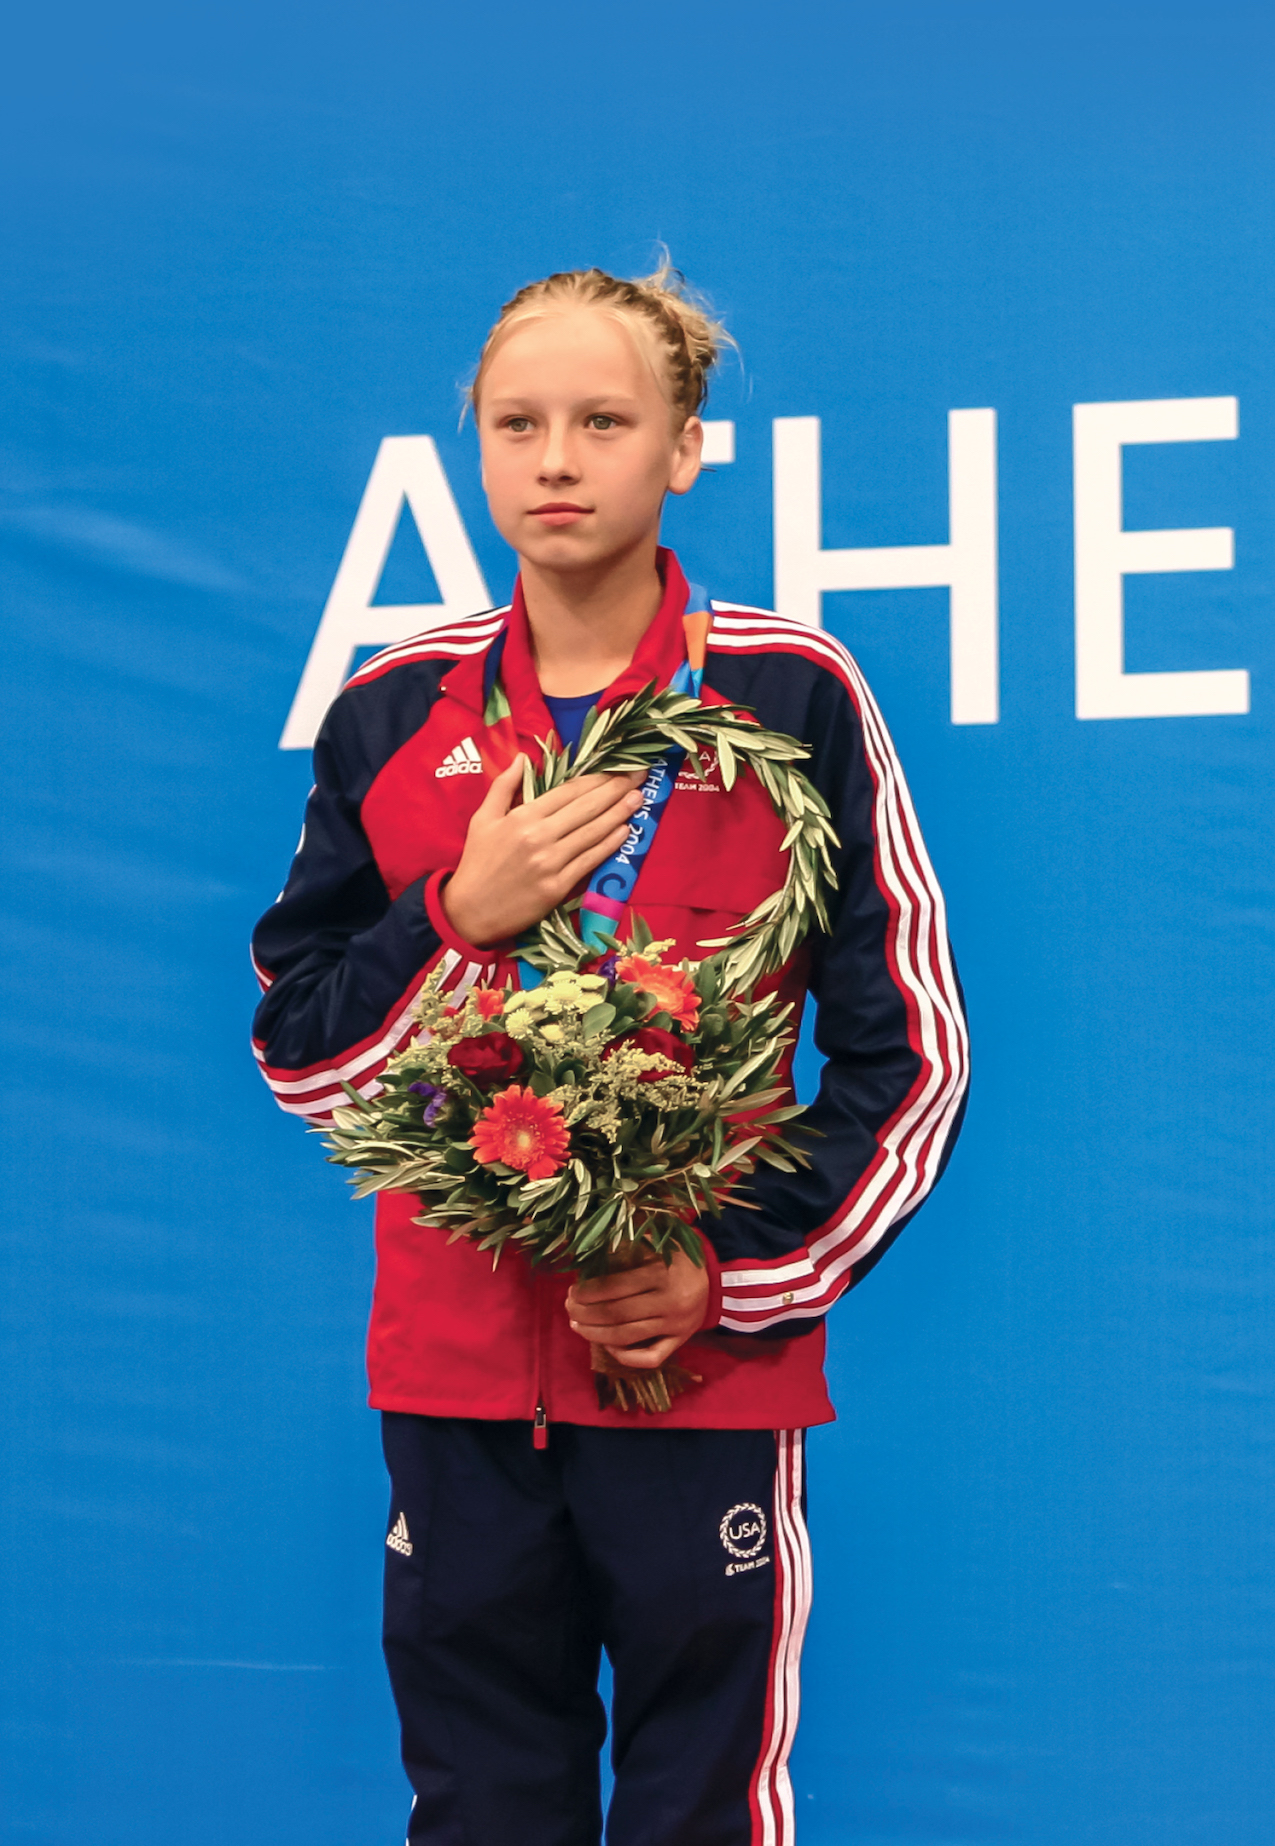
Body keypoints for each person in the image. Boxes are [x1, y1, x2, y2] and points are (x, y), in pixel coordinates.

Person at [251, 264, 968, 1846]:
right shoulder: (391, 711)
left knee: (699, 1804)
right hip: (450, 1379)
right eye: (517, 424)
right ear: (477, 450)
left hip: (694, 1374)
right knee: (481, 1804)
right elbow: (301, 1057)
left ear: (684, 446)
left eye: (602, 420)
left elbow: (908, 1056)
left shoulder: (793, 693)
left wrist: (729, 1273)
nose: (555, 460)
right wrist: (461, 913)